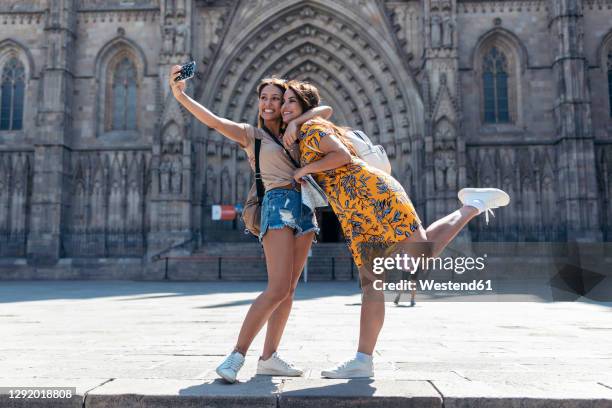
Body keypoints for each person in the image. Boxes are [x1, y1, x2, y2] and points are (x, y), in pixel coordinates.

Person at [281, 80, 510, 379]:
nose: (284, 107)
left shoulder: (312, 130)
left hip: (375, 195)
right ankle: (363, 360)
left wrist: (304, 169)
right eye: (282, 102)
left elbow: (342, 157)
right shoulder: (303, 131)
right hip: (355, 213)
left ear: (303, 109)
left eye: (290, 102)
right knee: (371, 286)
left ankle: (472, 206)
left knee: (420, 254)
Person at [168, 68, 333, 383]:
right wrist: (180, 95)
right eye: (264, 98)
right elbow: (214, 121)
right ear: (257, 102)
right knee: (277, 288)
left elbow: (326, 110)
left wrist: (297, 122)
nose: (270, 104)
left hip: (305, 209)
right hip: (278, 207)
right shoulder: (250, 134)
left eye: (278, 98)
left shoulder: (300, 128)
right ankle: (236, 356)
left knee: (290, 290)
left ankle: (269, 357)